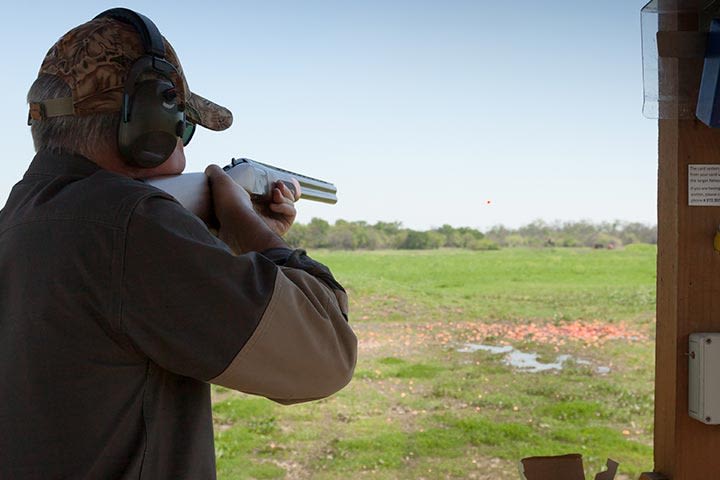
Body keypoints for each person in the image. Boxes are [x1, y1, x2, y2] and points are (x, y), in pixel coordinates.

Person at [0, 8, 356, 480]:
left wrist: (232, 235)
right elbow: (324, 355)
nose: (187, 152)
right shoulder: (131, 226)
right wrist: (255, 232)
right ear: (149, 129)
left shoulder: (20, 220)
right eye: (184, 127)